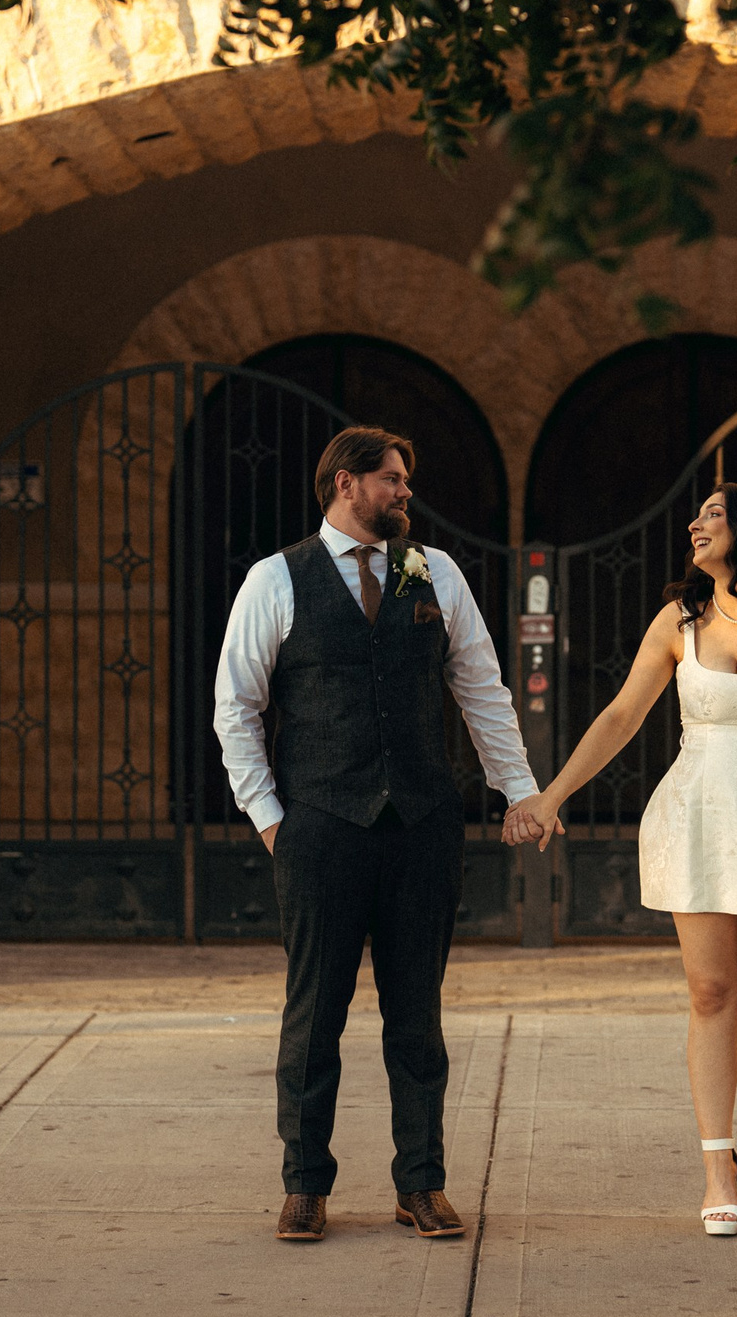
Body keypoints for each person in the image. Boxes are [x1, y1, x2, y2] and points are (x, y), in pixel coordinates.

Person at [505, 482, 737, 1238]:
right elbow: (621, 714)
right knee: (712, 990)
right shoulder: (679, 621)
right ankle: (719, 1166)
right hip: (701, 816)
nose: (696, 523)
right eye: (698, 513)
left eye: (714, 514)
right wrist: (551, 796)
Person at [214, 425, 539, 1244]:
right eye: (391, 479)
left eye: (404, 479)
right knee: (314, 1011)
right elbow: (237, 707)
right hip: (320, 827)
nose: (404, 493)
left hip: (424, 825)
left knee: (417, 1016)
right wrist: (269, 818)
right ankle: (304, 1184)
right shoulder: (274, 580)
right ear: (345, 483)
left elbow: (483, 688)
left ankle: (420, 1181)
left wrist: (520, 789)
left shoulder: (436, 572)